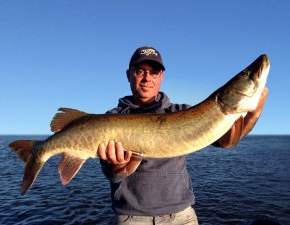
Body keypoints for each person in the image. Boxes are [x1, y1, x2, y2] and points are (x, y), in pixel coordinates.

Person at [97, 46, 268, 225]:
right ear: (128, 75)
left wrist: (255, 112)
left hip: (181, 216)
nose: (147, 78)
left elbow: (227, 142)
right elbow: (113, 174)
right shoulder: (111, 119)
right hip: (132, 217)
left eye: (154, 72)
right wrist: (118, 167)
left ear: (161, 77)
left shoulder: (182, 112)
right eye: (140, 71)